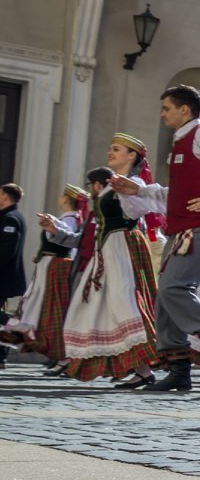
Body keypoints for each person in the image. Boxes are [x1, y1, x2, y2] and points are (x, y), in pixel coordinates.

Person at [111, 88, 200, 390]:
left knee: (174, 288)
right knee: (165, 299)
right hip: (181, 228)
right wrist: (140, 191)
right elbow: (179, 195)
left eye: (167, 108)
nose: (163, 114)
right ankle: (179, 369)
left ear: (185, 110)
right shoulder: (182, 140)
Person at [63, 163, 158, 385]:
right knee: (99, 307)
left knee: (123, 302)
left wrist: (129, 189)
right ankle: (134, 368)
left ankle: (144, 365)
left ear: (97, 184)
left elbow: (138, 210)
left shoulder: (120, 190)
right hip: (107, 253)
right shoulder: (107, 194)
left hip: (120, 249)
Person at [0, 185, 84, 366]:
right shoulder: (65, 218)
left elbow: (70, 245)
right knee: (42, 310)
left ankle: (20, 332)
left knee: (51, 311)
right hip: (48, 266)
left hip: (55, 268)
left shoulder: (69, 219)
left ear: (67, 199)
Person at [0, 185, 24, 364]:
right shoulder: (8, 216)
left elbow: (7, 250)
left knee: (2, 317)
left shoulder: (11, 219)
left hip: (3, 277)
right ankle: (1, 355)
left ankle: (17, 328)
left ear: (5, 197)